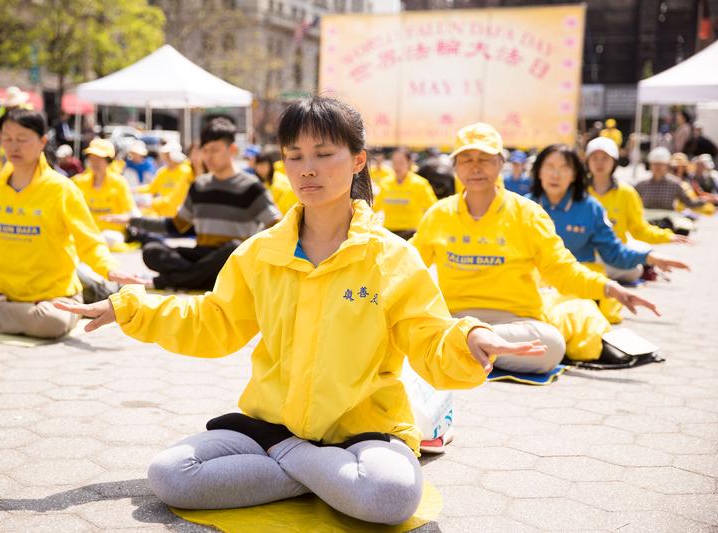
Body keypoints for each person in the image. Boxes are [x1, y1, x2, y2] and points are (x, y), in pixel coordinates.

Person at [54, 96, 545, 525]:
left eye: (324, 154)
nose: (307, 168)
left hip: (364, 430)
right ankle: (318, 472)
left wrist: (469, 338)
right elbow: (213, 322)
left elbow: (429, 335)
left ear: (357, 161)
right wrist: (131, 309)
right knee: (171, 475)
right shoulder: (260, 252)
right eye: (295, 156)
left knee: (390, 494)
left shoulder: (392, 257)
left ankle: (294, 463)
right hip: (273, 422)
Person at [412, 123, 659, 367]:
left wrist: (609, 288)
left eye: (485, 158)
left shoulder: (528, 214)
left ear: (500, 163)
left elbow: (562, 270)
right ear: (455, 166)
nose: (476, 167)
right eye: (467, 159)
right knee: (414, 325)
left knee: (551, 344)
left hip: (514, 323)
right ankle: (475, 344)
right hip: (457, 319)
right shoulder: (438, 214)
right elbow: (409, 265)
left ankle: (467, 348)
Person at [0, 109, 141, 338]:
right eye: (7, 138)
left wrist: (110, 270)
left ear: (42, 141)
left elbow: (90, 243)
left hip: (54, 296)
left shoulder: (61, 189)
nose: (14, 146)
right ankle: (9, 313)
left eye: (22, 139)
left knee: (50, 322)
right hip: (5, 294)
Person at [107, 117, 281, 291]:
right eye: (205, 150)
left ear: (232, 150)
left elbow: (277, 226)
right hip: (202, 255)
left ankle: (166, 281)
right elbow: (176, 225)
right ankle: (201, 280)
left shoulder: (251, 187)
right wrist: (132, 219)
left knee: (234, 249)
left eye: (215, 150)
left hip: (234, 259)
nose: (208, 156)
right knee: (152, 251)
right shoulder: (199, 186)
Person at [529, 144, 687, 325]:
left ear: (574, 174)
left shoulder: (591, 207)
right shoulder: (524, 206)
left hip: (578, 280)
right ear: (538, 171)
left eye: (564, 167)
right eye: (549, 166)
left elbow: (614, 251)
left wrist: (650, 258)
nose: (555, 174)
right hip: (536, 283)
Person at [585, 138, 689, 281]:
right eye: (594, 158)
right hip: (583, 254)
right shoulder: (578, 192)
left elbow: (639, 229)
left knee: (634, 269)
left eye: (604, 158)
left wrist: (668, 236)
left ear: (614, 161)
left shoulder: (627, 192)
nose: (599, 163)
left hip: (613, 254)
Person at [72, 138, 139, 249]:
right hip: (87, 232)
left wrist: (117, 218)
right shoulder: (79, 181)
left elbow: (132, 214)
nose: (94, 162)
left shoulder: (119, 182)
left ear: (109, 160)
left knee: (107, 238)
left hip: (111, 234)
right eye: (92, 158)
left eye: (99, 158)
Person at [373, 147, 437, 240]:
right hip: (389, 234)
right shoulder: (385, 183)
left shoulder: (420, 184)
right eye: (394, 163)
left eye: (401, 162)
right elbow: (375, 207)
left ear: (409, 163)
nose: (397, 166)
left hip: (411, 234)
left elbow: (432, 208)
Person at [635, 147, 705, 212]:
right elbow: (631, 201)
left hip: (668, 221)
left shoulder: (675, 184)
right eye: (655, 164)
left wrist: (704, 200)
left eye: (661, 164)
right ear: (650, 165)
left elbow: (689, 202)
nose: (658, 167)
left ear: (667, 166)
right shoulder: (642, 184)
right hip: (646, 221)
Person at [135, 143, 195, 217]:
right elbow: (153, 187)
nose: (165, 158)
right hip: (164, 214)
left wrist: (151, 203)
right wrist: (135, 190)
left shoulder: (186, 171)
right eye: (164, 155)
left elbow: (174, 198)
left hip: (179, 214)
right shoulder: (162, 172)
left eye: (167, 155)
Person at [253, 148, 299, 215]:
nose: (261, 169)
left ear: (270, 165)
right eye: (258, 166)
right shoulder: (263, 181)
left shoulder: (280, 182)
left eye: (263, 165)